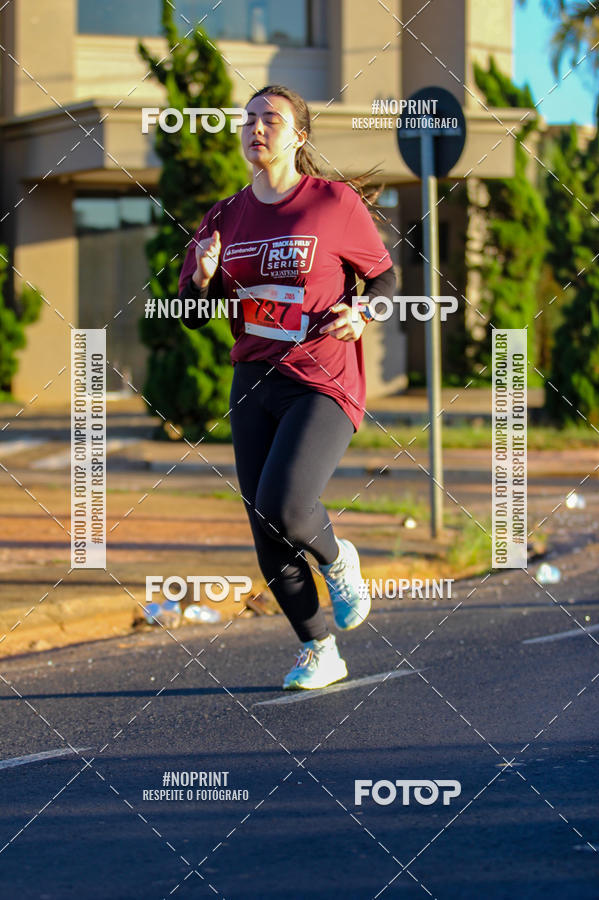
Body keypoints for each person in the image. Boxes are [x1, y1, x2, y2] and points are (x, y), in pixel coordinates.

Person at [179, 84, 396, 690]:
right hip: (253, 381)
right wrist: (200, 278)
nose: (256, 129)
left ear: (298, 135)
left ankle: (337, 559)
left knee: (286, 505)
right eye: (248, 120)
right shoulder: (223, 217)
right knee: (264, 525)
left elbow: (383, 278)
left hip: (322, 378)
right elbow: (191, 314)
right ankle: (319, 649)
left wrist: (364, 314)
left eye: (270, 120)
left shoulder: (333, 202)